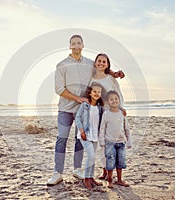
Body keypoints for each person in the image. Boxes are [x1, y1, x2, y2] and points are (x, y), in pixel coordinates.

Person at [47, 35, 124, 186]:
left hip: (84, 110)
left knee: (80, 140)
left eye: (79, 43)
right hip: (65, 109)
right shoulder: (61, 65)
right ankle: (57, 173)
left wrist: (114, 73)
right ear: (70, 46)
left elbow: (102, 69)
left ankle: (77, 169)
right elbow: (59, 89)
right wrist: (77, 98)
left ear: (83, 45)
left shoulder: (89, 63)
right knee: (61, 139)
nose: (76, 46)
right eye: (73, 43)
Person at [90, 53, 126, 180]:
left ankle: (114, 170)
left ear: (107, 65)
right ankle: (104, 169)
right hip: (95, 111)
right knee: (101, 141)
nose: (101, 63)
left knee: (111, 139)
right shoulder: (91, 78)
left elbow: (118, 94)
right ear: (95, 63)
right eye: (99, 61)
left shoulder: (111, 78)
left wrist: (120, 108)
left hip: (109, 111)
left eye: (104, 62)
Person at [99, 90, 132, 188]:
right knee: (110, 160)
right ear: (107, 102)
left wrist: (129, 140)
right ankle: (109, 180)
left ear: (119, 100)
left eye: (116, 99)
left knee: (120, 161)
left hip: (121, 142)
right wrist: (102, 141)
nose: (114, 101)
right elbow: (102, 128)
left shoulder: (122, 113)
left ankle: (120, 180)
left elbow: (127, 128)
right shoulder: (106, 113)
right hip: (109, 142)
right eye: (111, 99)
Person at [75, 82, 105, 190]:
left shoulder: (100, 107)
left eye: (99, 92)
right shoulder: (85, 105)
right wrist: (82, 130)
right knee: (91, 156)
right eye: (95, 91)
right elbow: (78, 118)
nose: (97, 94)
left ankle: (91, 177)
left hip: (95, 135)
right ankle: (86, 179)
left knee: (93, 158)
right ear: (90, 93)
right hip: (85, 135)